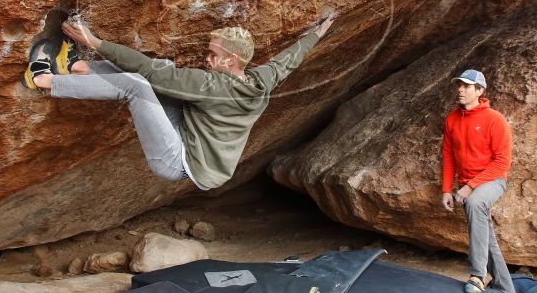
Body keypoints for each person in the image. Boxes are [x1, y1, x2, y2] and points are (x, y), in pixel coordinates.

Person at [22, 11, 337, 190]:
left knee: (137, 84)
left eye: (213, 54)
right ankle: (77, 66)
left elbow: (144, 70)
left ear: (231, 62)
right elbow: (288, 61)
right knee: (163, 71)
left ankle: (45, 81)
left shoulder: (210, 85)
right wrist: (317, 34)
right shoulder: (261, 80)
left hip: (177, 161)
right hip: (191, 138)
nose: (207, 57)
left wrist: (95, 42)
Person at [441, 69, 515, 293]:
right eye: (459, 85)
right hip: (467, 184)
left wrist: (470, 186)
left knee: (474, 204)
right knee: (484, 234)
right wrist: (446, 189)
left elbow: (502, 162)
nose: (461, 89)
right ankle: (506, 288)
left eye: (466, 86)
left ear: (479, 91)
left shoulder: (495, 119)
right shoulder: (452, 119)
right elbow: (448, 155)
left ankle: (477, 275)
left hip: (493, 180)